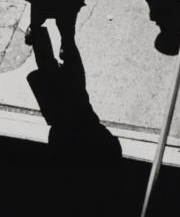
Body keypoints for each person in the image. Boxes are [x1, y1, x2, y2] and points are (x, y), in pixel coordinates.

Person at [27, 25, 121, 164]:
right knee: (53, 71)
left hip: (71, 124)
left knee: (58, 73)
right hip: (69, 124)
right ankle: (49, 35)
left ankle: (53, 35)